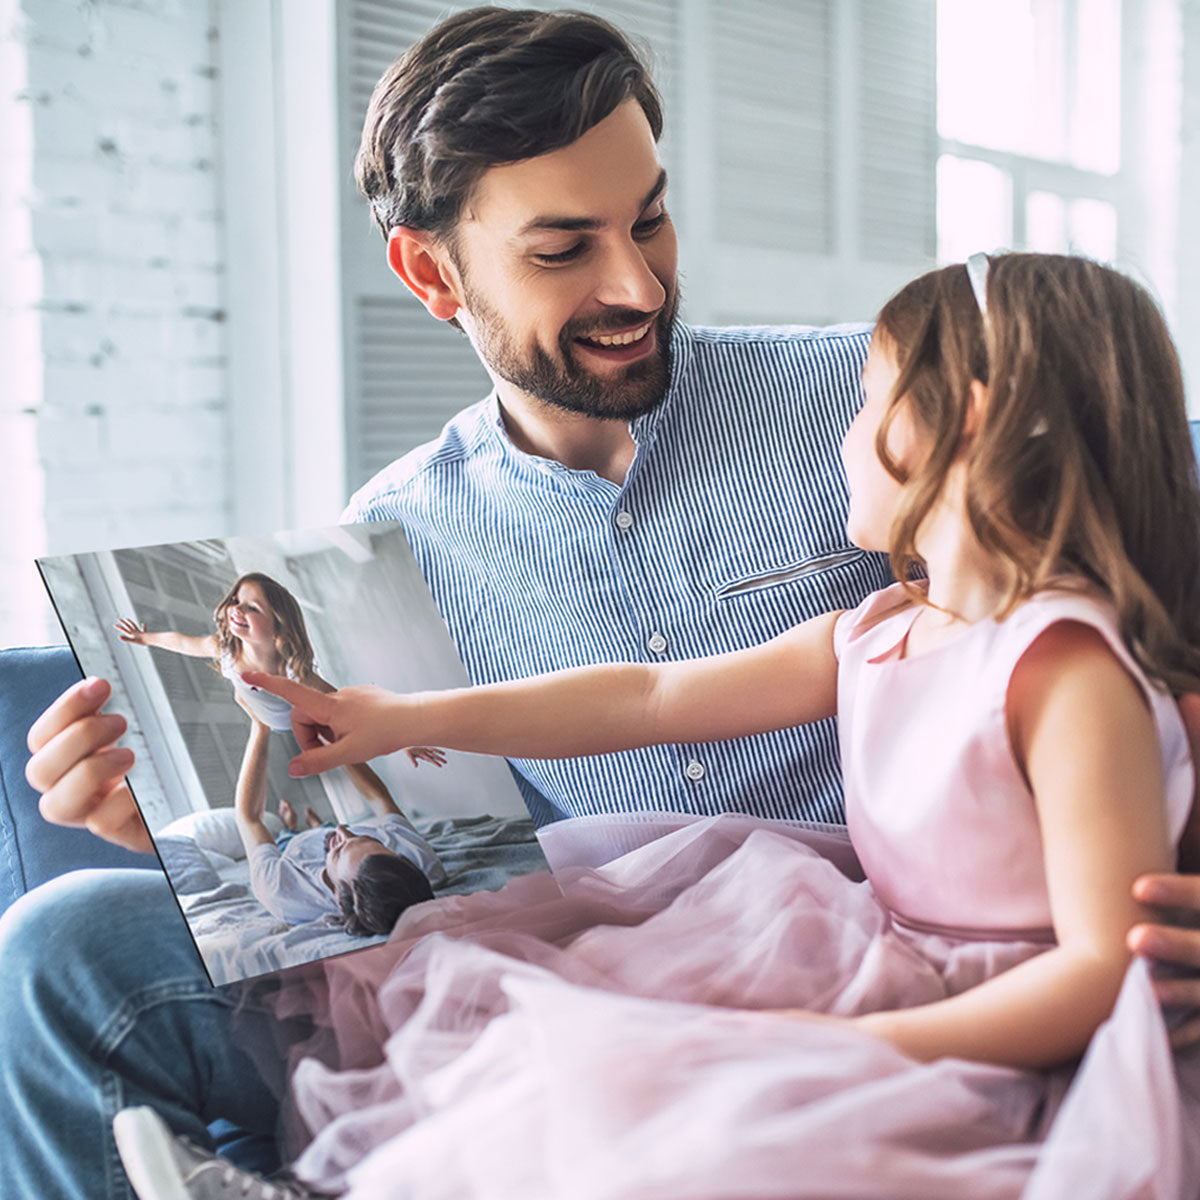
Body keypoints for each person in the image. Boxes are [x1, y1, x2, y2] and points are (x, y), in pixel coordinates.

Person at [7, 7, 1200, 1198]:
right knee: (61, 945)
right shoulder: (387, 544)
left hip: (882, 951)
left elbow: (1132, 623)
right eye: (562, 248)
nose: (638, 282)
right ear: (431, 273)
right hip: (622, 947)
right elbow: (439, 842)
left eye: (651, 220)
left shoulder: (892, 397)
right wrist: (164, 829)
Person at [115, 572, 446, 805]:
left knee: (347, 754)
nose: (237, 609)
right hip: (263, 713)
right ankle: (255, 715)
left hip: (303, 716)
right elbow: (183, 643)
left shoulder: (294, 671)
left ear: (278, 627)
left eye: (252, 608)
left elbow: (348, 704)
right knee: (242, 697)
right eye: (237, 600)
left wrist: (403, 738)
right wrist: (145, 638)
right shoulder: (225, 649)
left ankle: (391, 814)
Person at [232, 708, 443, 934]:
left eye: (340, 850)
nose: (343, 829)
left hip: (292, 853)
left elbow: (249, 818)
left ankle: (291, 827)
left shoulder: (282, 891)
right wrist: (335, 746)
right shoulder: (419, 860)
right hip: (330, 845)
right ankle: (317, 827)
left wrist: (260, 726)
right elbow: (379, 798)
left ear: (339, 900)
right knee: (330, 831)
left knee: (285, 838)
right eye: (370, 840)